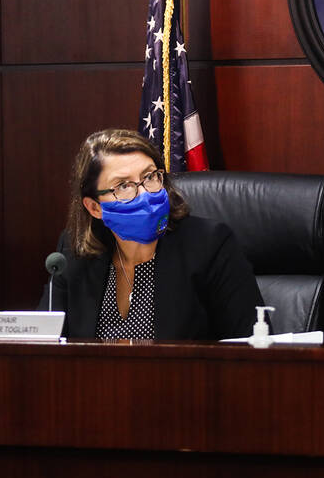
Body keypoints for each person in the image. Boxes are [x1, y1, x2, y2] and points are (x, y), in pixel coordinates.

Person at [41, 129, 262, 340]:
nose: (144, 194)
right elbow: (44, 342)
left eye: (149, 177)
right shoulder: (74, 252)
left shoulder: (209, 245)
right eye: (123, 186)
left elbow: (251, 345)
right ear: (94, 208)